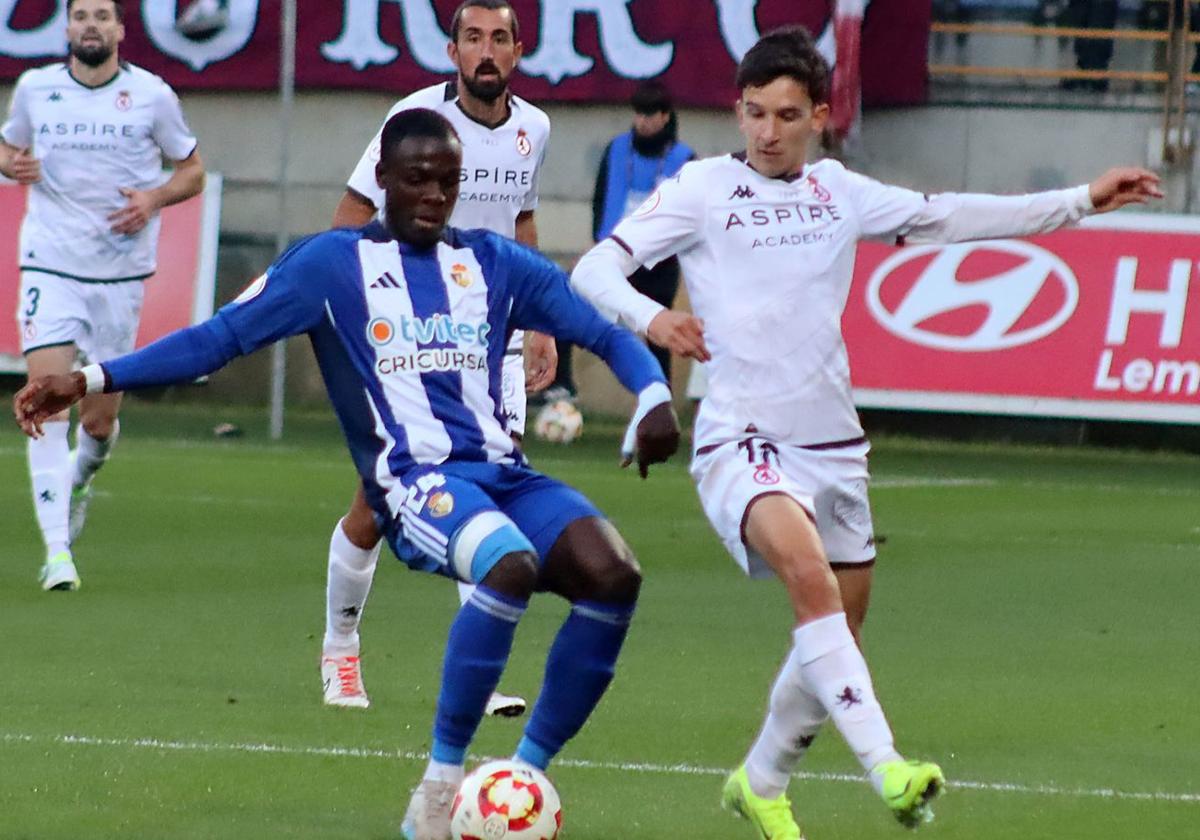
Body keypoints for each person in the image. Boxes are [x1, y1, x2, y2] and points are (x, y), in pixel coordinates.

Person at [14, 107, 682, 840]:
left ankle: (524, 775)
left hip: (504, 474)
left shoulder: (493, 261)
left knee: (615, 575)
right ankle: (440, 784)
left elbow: (597, 329)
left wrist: (652, 396)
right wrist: (88, 378)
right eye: (418, 180)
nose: (434, 196)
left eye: (448, 182)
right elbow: (218, 341)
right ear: (385, 181)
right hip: (412, 482)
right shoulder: (329, 266)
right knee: (509, 565)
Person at [571, 26, 1161, 839]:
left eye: (785, 115)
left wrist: (1081, 200)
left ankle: (762, 779)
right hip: (742, 436)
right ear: (738, 114)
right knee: (810, 582)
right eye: (753, 114)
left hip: (833, 445)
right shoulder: (702, 188)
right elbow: (594, 268)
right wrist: (656, 317)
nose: (768, 133)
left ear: (819, 115)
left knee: (837, 628)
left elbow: (950, 216)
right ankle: (888, 767)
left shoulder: (839, 193)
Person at [322, 0, 556, 715]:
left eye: (500, 39)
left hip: (492, 340)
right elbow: (352, 215)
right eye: (473, 38)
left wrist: (540, 319)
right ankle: (339, 649)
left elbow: (519, 221)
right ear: (452, 50)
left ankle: (474, 675)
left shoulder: (533, 129)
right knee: (378, 499)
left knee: (484, 490)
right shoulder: (414, 120)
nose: (486, 51)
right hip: (414, 337)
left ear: (519, 50)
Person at [0, 0, 205, 592]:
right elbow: (7, 148)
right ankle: (57, 551)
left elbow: (191, 170)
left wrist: (153, 198)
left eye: (101, 15)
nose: (90, 25)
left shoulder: (152, 95)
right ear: (66, 27)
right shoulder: (36, 88)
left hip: (118, 278)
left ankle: (82, 477)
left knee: (98, 421)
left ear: (119, 29)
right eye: (80, 14)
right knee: (44, 402)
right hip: (50, 265)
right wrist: (14, 165)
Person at [552, 81, 693, 392]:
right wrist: (594, 244)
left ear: (665, 116)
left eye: (650, 114)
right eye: (638, 114)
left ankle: (659, 397)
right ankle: (561, 384)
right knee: (567, 305)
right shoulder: (617, 149)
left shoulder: (684, 158)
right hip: (614, 253)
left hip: (659, 262)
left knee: (657, 332)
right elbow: (601, 199)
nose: (642, 121)